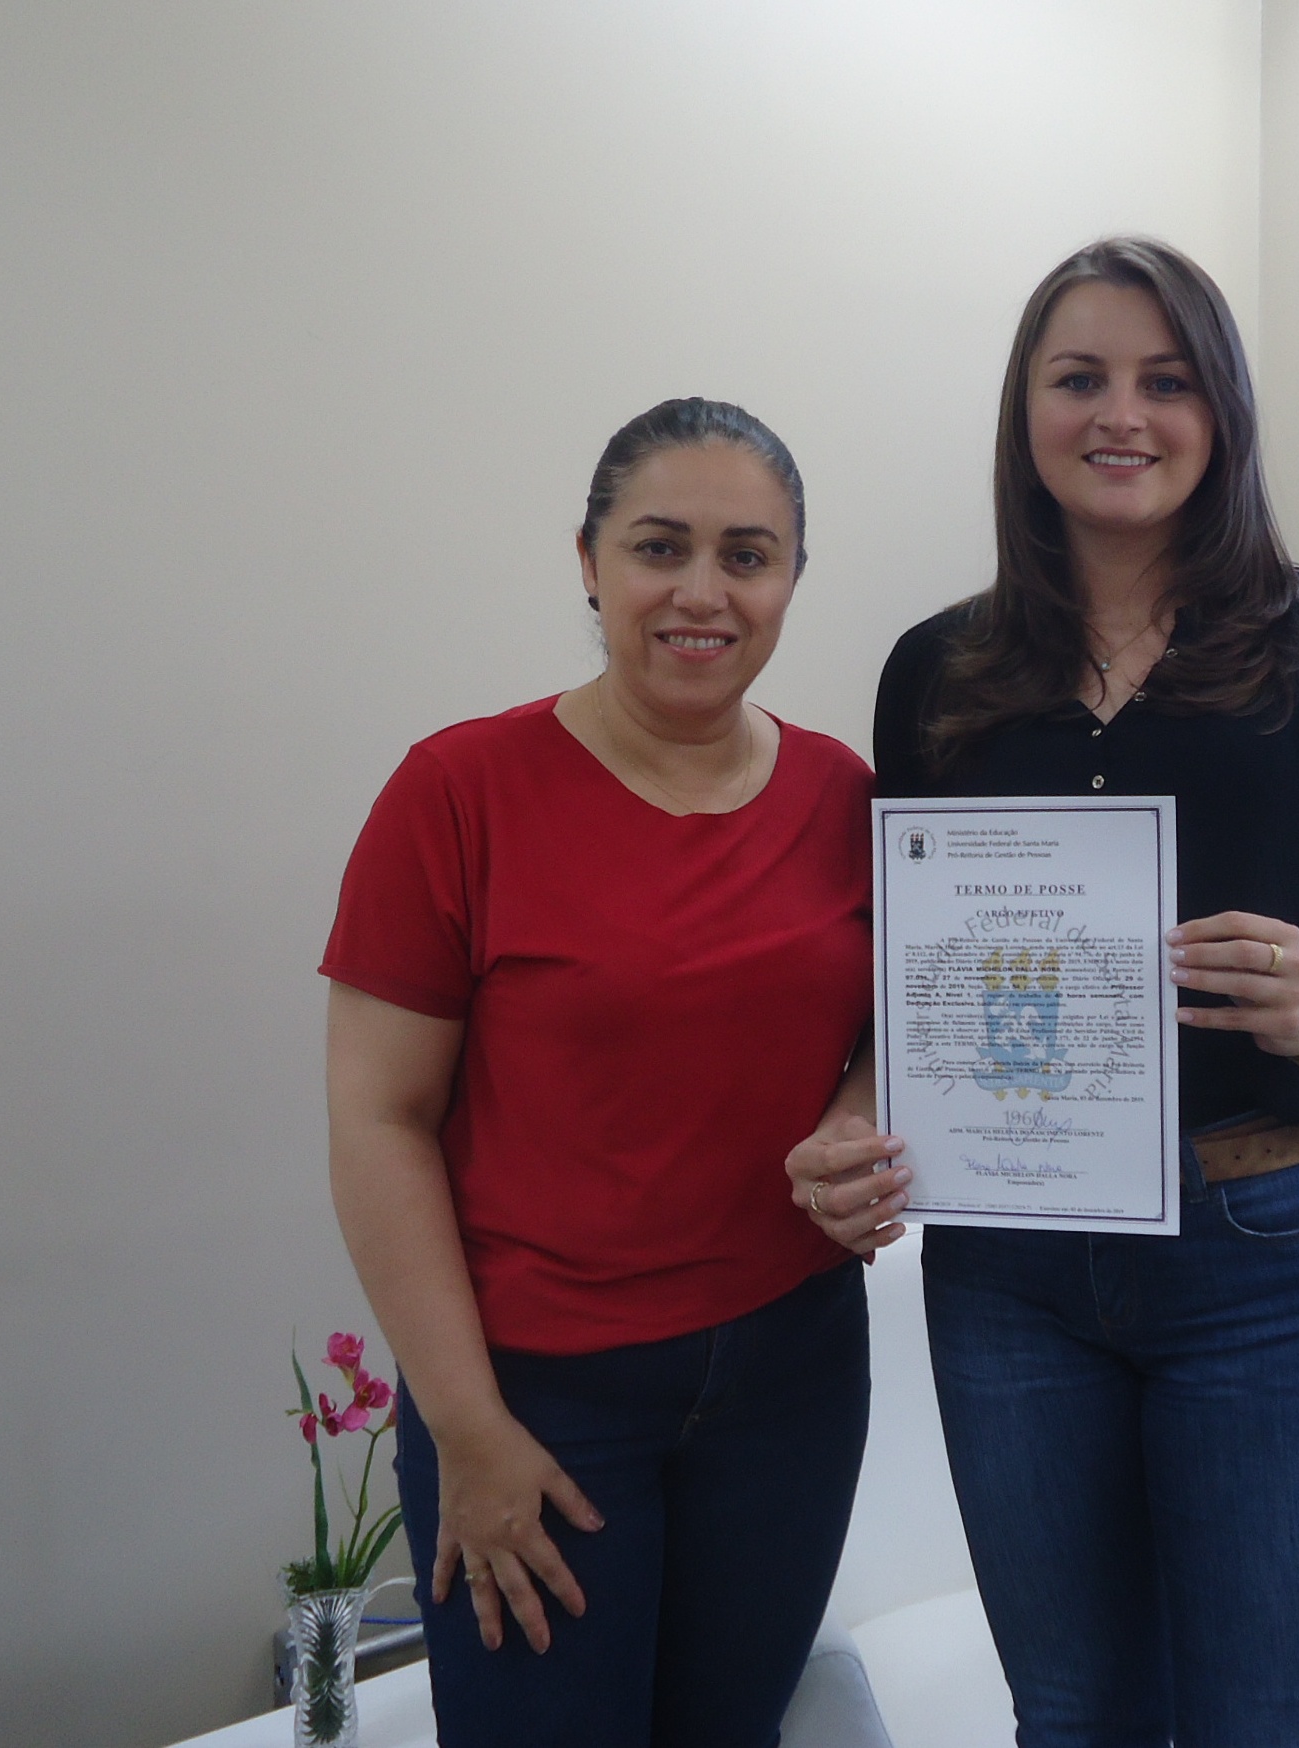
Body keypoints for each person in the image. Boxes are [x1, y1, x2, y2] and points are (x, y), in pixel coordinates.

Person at [787, 239, 1299, 1748]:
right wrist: (853, 1119)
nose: (1123, 415)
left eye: (1167, 381)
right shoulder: (938, 671)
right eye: (1081, 378)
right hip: (1009, 1273)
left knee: (1274, 1716)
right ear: (1025, 412)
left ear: (1219, 411)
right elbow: (916, 983)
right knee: (1074, 1715)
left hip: (1263, 1246)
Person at [321, 397, 880, 1748]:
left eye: (747, 555)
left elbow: (892, 1029)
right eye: (658, 547)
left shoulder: (847, 799)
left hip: (792, 1383)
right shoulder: (457, 793)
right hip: (539, 1401)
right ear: (589, 562)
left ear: (792, 578)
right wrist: (467, 1429)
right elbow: (379, 1119)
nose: (703, 592)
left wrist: (857, 1117)